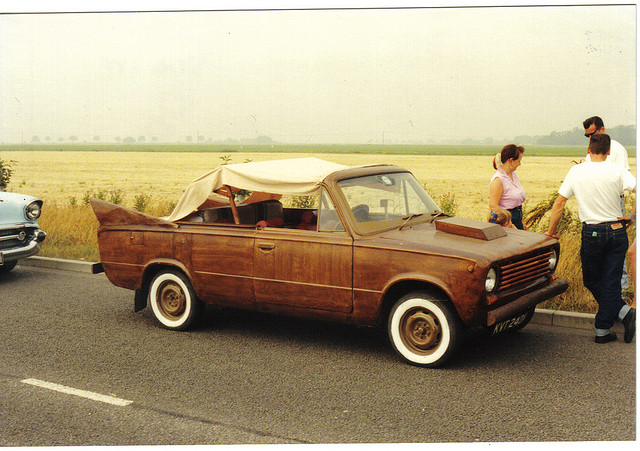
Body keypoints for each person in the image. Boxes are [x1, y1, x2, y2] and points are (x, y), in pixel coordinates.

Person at [546, 133, 636, 344]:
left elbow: (559, 204)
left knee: (591, 280)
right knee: (612, 281)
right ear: (608, 152)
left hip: (592, 233)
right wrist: (632, 215)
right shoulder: (617, 169)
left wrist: (551, 231)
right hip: (616, 231)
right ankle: (623, 313)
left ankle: (604, 329)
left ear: (588, 149)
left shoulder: (577, 171)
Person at [583, 116, 632, 291]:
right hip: (595, 200)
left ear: (602, 129)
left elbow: (625, 179)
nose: (590, 138)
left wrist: (632, 215)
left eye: (593, 133)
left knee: (616, 247)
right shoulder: (591, 148)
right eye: (587, 135)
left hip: (613, 201)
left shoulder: (617, 149)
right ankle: (608, 293)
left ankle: (622, 289)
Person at [489, 144, 526, 229]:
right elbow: (493, 206)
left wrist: (521, 221)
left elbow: (517, 202)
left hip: (517, 218)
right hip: (506, 222)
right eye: (519, 161)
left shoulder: (513, 175)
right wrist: (509, 224)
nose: (520, 164)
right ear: (511, 160)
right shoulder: (498, 180)